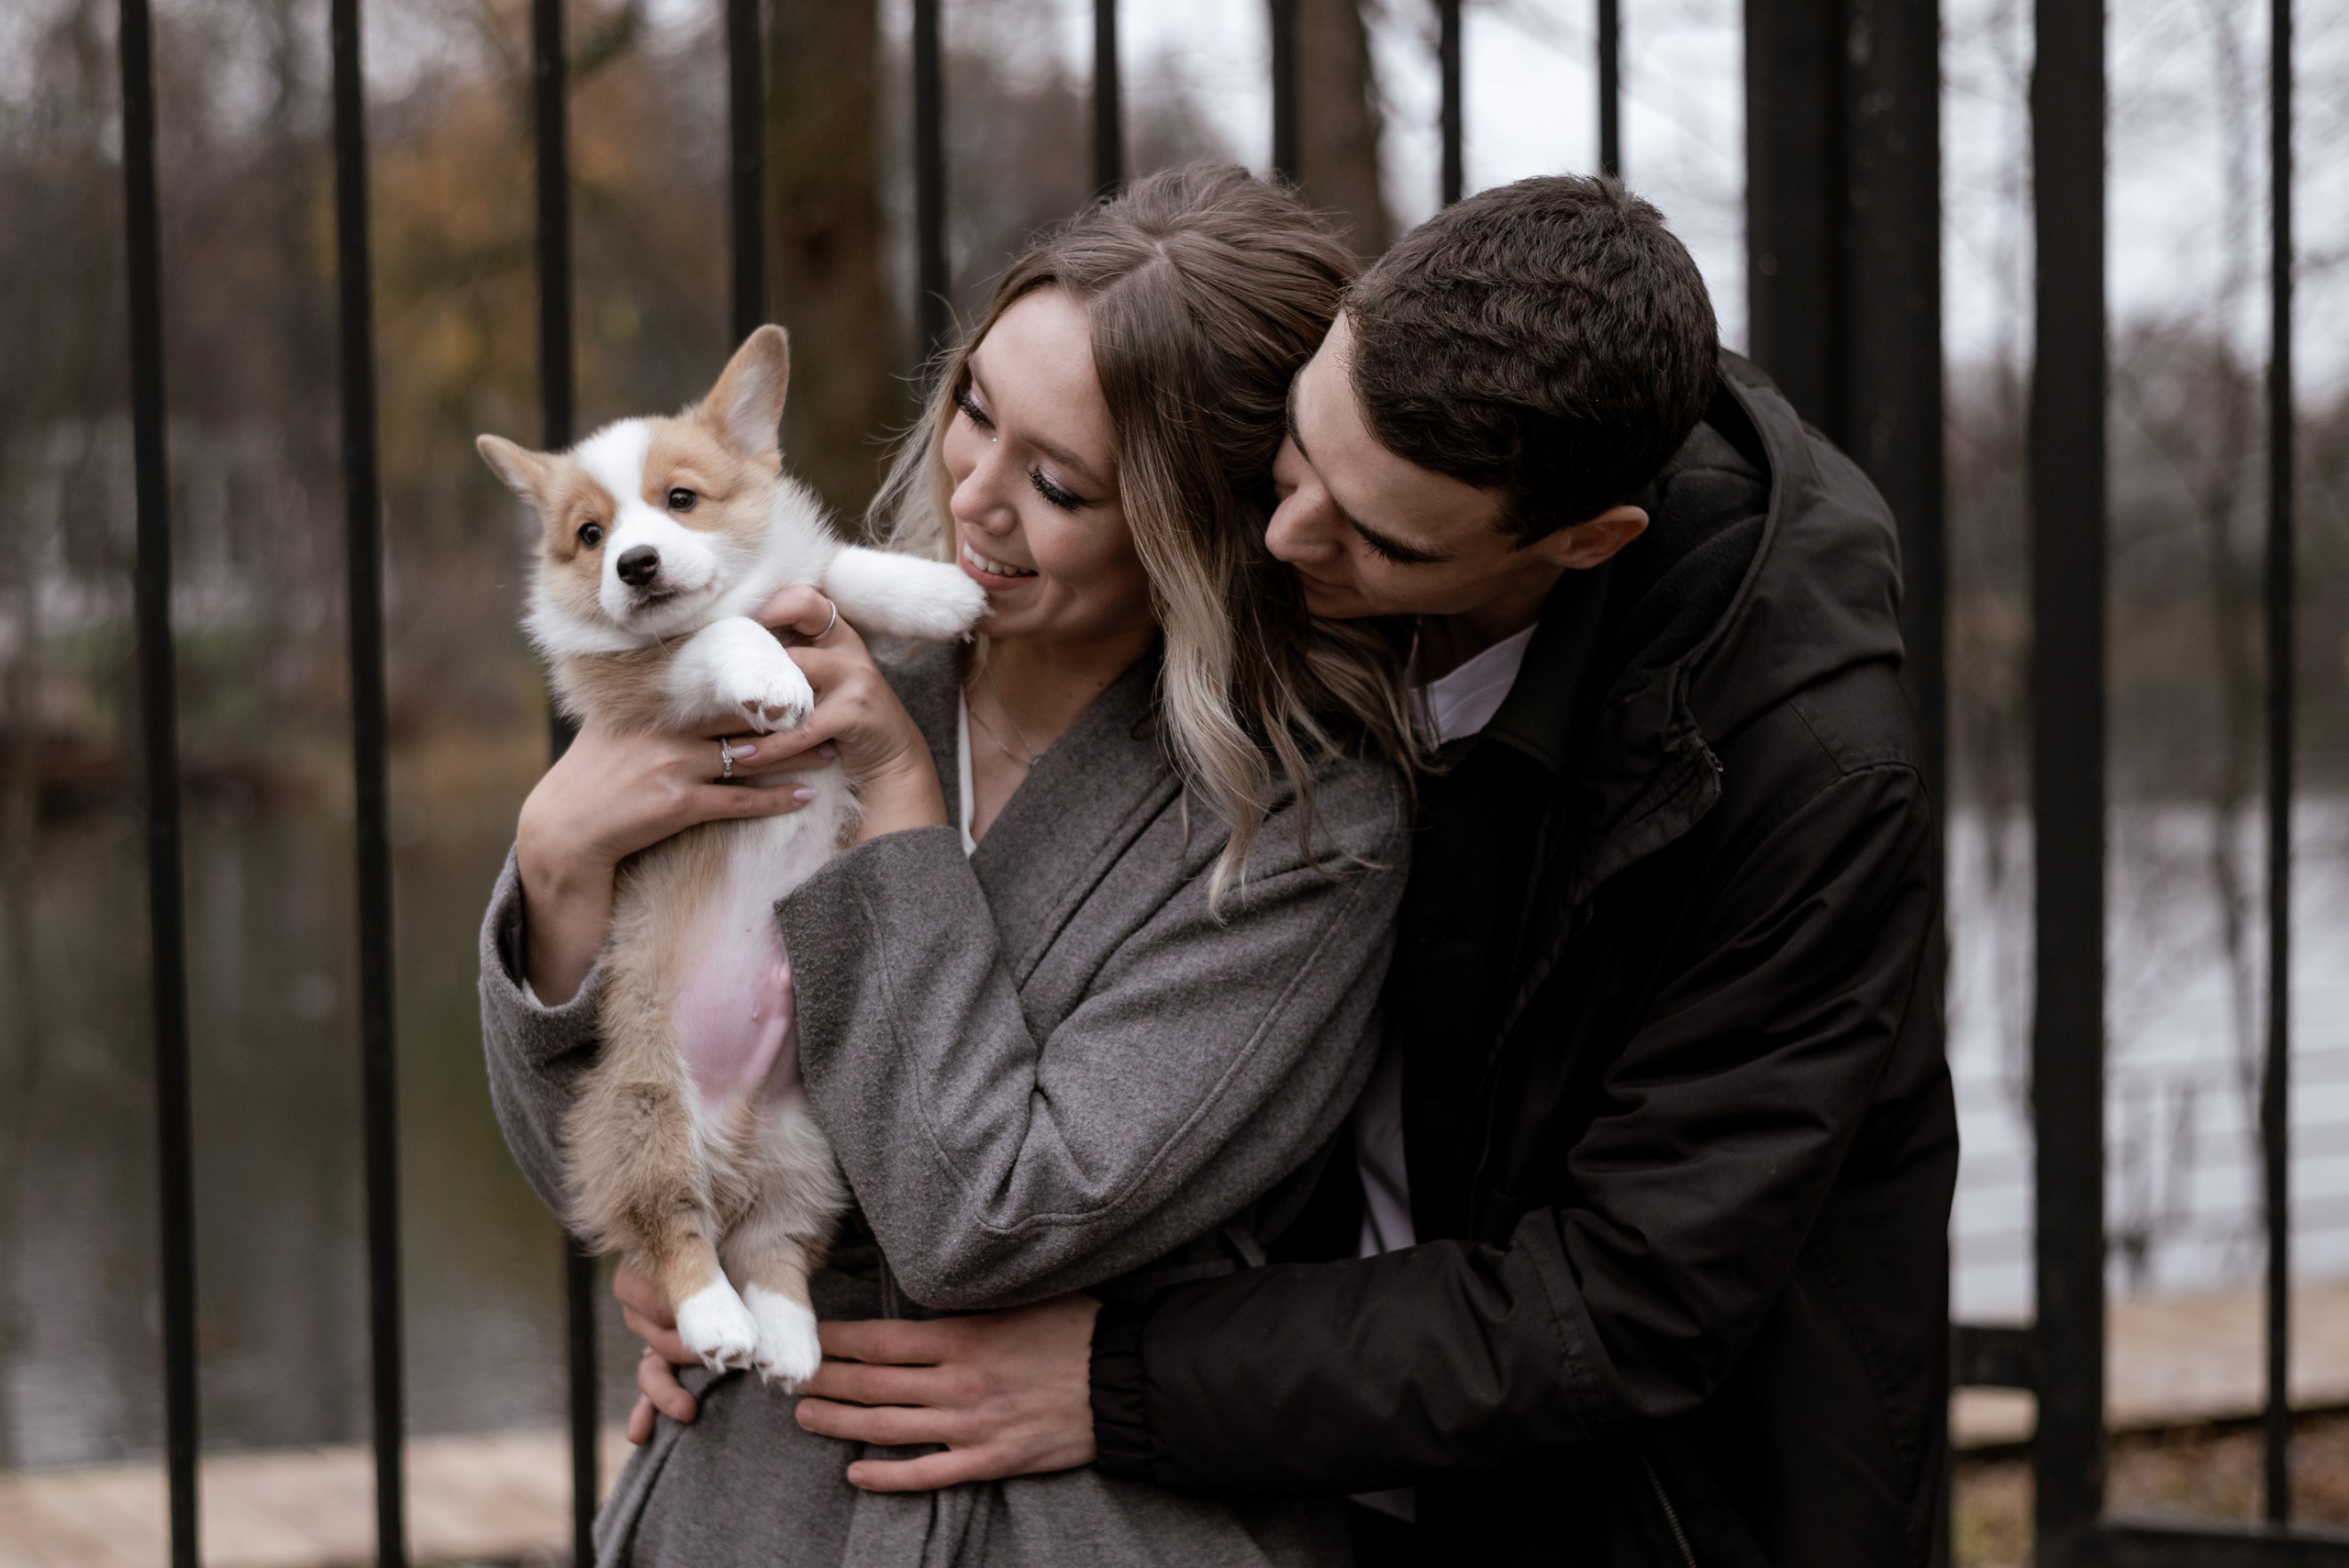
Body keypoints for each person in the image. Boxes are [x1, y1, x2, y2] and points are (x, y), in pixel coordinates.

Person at [674, 176, 1959, 1568]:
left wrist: (1120, 1379)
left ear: (1581, 545)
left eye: (1381, 537)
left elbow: (1625, 1298)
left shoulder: (1799, 776)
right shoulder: (1271, 580)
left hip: (1622, 1500)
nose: (1281, 543)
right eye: (1293, 456)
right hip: (1285, 1457)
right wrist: (702, 1246)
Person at [478, 166, 1422, 1566]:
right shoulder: (813, 658)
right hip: (754, 1503)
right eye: (975, 409)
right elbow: (587, 1130)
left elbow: (990, 1222)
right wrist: (553, 879)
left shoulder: (1300, 830)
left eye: (1057, 483)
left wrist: (904, 815)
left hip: (1078, 1527)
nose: (973, 496)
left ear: (1200, 527)